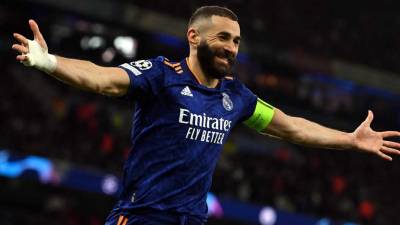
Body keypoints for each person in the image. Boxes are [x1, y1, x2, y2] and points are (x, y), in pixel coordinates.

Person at [12, 5, 400, 225]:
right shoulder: (161, 74)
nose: (231, 48)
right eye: (223, 38)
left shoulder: (237, 97)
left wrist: (349, 139)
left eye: (236, 41)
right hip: (143, 217)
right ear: (194, 37)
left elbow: (291, 127)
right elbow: (103, 80)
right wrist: (50, 62)